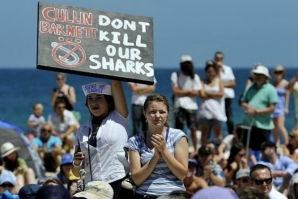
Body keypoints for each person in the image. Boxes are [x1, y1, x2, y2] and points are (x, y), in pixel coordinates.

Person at [72, 81, 131, 199]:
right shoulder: (82, 130)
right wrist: (76, 162)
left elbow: (116, 84)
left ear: (109, 102)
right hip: (92, 188)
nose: (94, 102)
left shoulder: (119, 118)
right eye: (90, 98)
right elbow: (76, 172)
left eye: (99, 98)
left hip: (117, 182)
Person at [125, 94, 188, 198]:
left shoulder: (178, 136)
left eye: (162, 112)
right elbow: (137, 179)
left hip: (173, 196)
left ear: (167, 114)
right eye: (152, 112)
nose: (157, 116)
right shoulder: (135, 141)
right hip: (145, 195)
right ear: (144, 113)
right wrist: (155, 157)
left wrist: (164, 151)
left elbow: (182, 174)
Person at [240, 65, 278, 151]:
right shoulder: (250, 88)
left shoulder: (270, 89)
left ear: (265, 77)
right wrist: (248, 108)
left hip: (263, 125)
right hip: (249, 123)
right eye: (256, 74)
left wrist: (256, 111)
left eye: (260, 75)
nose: (257, 77)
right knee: (247, 148)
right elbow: (242, 101)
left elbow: (272, 108)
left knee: (263, 149)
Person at [171, 55, 201, 154]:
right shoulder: (176, 75)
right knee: (179, 129)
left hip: (191, 106)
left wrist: (182, 92)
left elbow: (196, 92)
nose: (187, 66)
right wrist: (189, 92)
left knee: (193, 128)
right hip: (180, 105)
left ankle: (195, 149)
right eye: (185, 64)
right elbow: (176, 91)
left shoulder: (195, 77)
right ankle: (178, 148)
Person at [198, 60, 226, 146]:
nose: (210, 73)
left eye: (212, 71)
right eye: (209, 71)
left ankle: (217, 151)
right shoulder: (202, 81)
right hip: (205, 112)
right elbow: (202, 94)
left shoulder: (219, 81)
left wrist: (208, 93)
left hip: (216, 111)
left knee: (218, 133)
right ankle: (203, 150)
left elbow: (221, 94)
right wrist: (214, 94)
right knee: (204, 133)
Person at [214, 51, 236, 135]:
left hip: (227, 97)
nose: (219, 60)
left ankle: (232, 136)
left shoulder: (228, 69)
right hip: (217, 98)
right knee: (216, 119)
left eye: (220, 58)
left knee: (229, 118)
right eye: (217, 58)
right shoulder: (212, 70)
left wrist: (221, 85)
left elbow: (233, 83)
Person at [271, 65, 289, 146]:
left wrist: (286, 107)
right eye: (276, 72)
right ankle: (277, 143)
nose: (278, 74)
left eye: (280, 72)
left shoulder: (285, 83)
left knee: (280, 125)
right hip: (274, 107)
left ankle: (286, 143)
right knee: (274, 127)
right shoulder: (273, 84)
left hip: (281, 107)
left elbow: (287, 96)